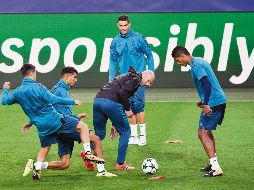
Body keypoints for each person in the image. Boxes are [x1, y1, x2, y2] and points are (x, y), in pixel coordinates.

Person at [1, 64, 104, 180]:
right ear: (32, 73)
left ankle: (37, 167)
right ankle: (89, 154)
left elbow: (4, 101)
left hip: (42, 127)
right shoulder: (39, 87)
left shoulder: (17, 92)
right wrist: (72, 101)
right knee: (85, 128)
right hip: (56, 121)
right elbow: (53, 100)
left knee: (48, 151)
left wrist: (5, 89)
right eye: (36, 73)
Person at [22, 66, 116, 177]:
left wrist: (30, 122)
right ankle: (101, 171)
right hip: (64, 126)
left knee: (64, 163)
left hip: (59, 128)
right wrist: (75, 118)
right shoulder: (61, 91)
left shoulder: (56, 89)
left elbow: (42, 108)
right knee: (95, 139)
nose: (76, 80)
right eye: (74, 77)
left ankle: (36, 165)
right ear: (67, 77)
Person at [171, 46, 226, 177]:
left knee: (202, 134)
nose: (179, 63)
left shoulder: (195, 65)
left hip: (214, 103)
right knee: (207, 132)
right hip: (216, 100)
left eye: (178, 60)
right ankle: (213, 163)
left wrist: (206, 103)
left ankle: (216, 168)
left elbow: (207, 84)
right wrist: (203, 100)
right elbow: (209, 82)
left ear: (183, 56)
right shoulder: (199, 60)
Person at [94, 66, 155, 170]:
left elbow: (117, 93)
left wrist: (114, 123)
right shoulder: (136, 79)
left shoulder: (127, 76)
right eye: (149, 82)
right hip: (111, 103)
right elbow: (122, 94)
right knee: (125, 132)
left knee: (99, 134)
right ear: (146, 77)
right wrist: (128, 109)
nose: (148, 84)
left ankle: (87, 152)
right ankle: (120, 164)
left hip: (97, 101)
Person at [109, 14, 155, 146]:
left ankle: (143, 136)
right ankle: (134, 136)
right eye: (121, 25)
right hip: (124, 80)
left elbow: (149, 54)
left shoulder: (139, 38)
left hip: (139, 79)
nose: (123, 28)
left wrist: (151, 72)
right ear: (117, 25)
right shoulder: (115, 41)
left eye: (125, 25)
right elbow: (112, 62)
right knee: (128, 107)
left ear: (129, 24)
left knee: (139, 106)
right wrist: (112, 80)